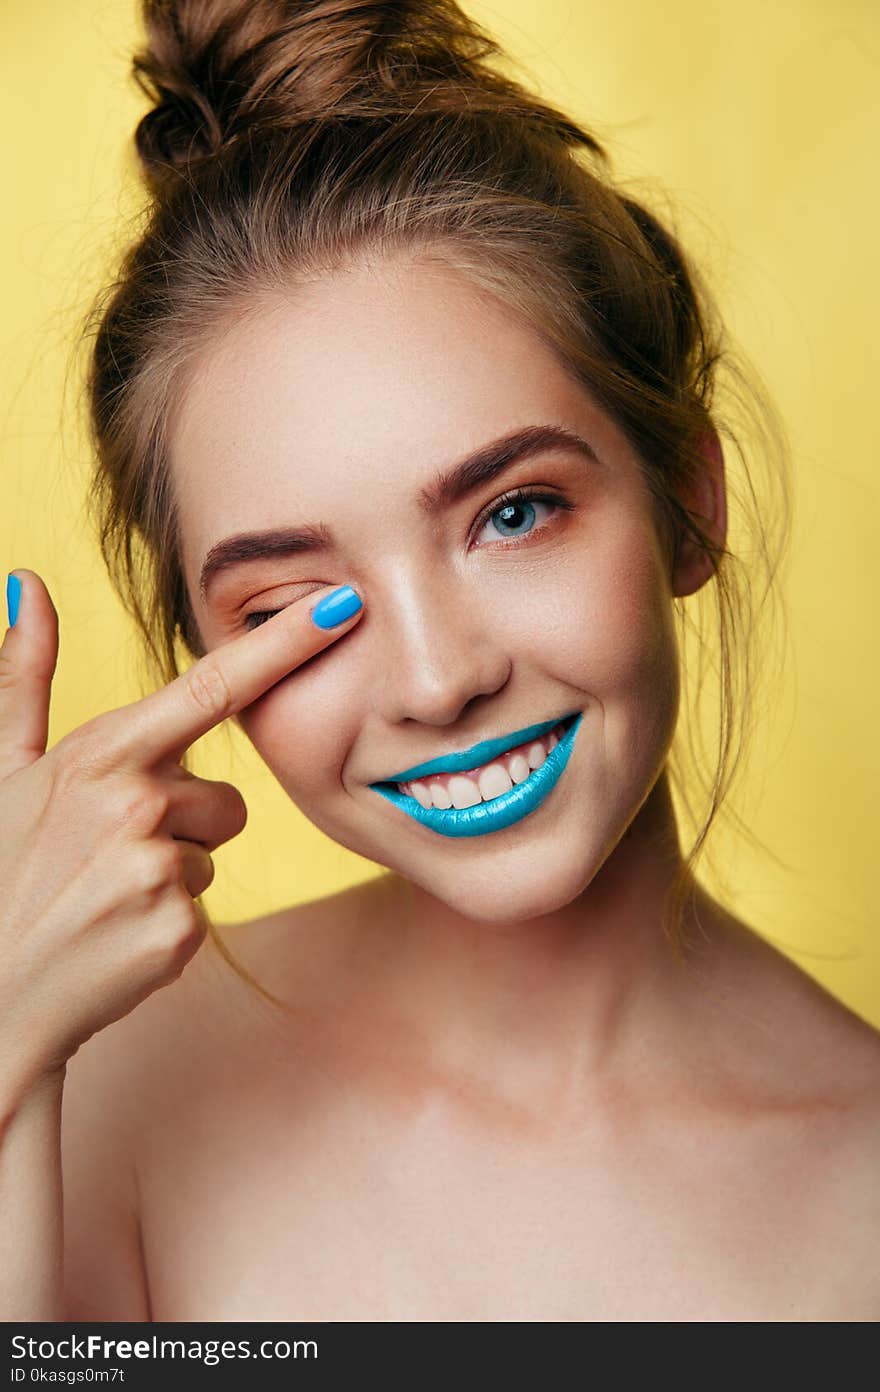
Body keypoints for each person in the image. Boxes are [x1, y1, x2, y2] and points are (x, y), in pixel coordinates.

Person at [1, 0, 877, 1323]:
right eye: (298, 602)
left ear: (688, 498)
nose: (434, 679)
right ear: (206, 657)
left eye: (511, 513)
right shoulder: (86, 1092)